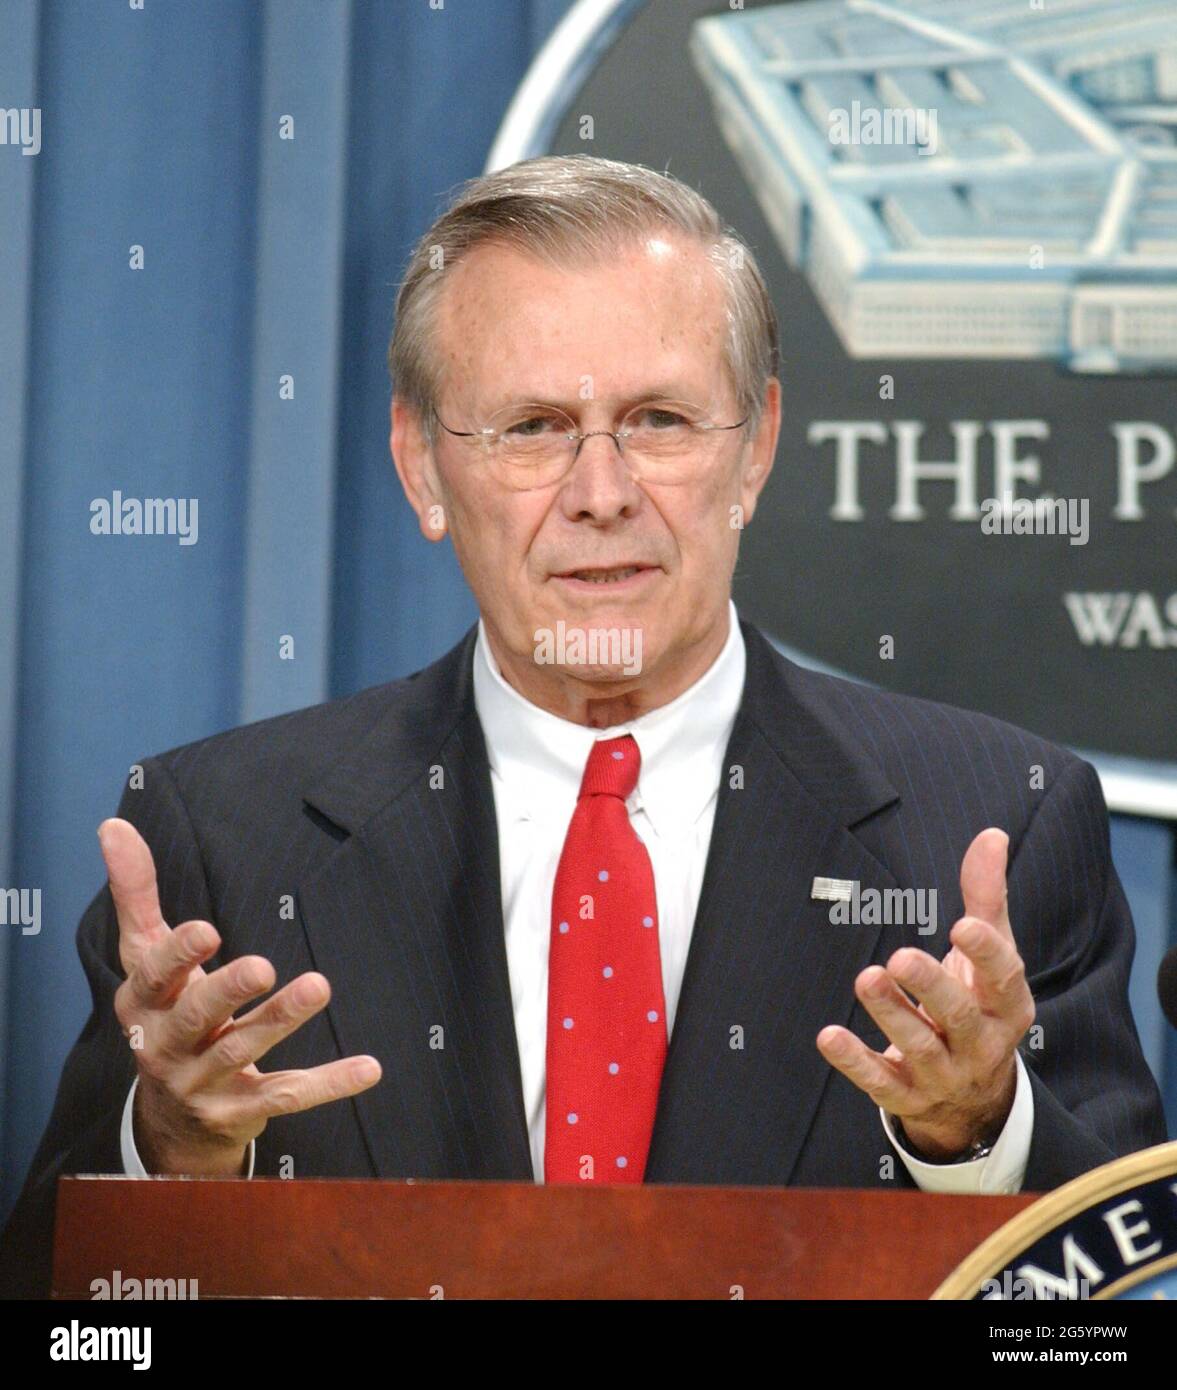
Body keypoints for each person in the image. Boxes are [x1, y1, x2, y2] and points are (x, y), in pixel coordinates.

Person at [1, 156, 1166, 1298]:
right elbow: (70, 1326)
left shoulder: (993, 824)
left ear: (754, 448)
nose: (600, 490)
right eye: (532, 427)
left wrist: (977, 1129)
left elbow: (1123, 1307)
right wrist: (175, 1146)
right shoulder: (223, 838)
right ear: (421, 465)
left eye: (658, 420)